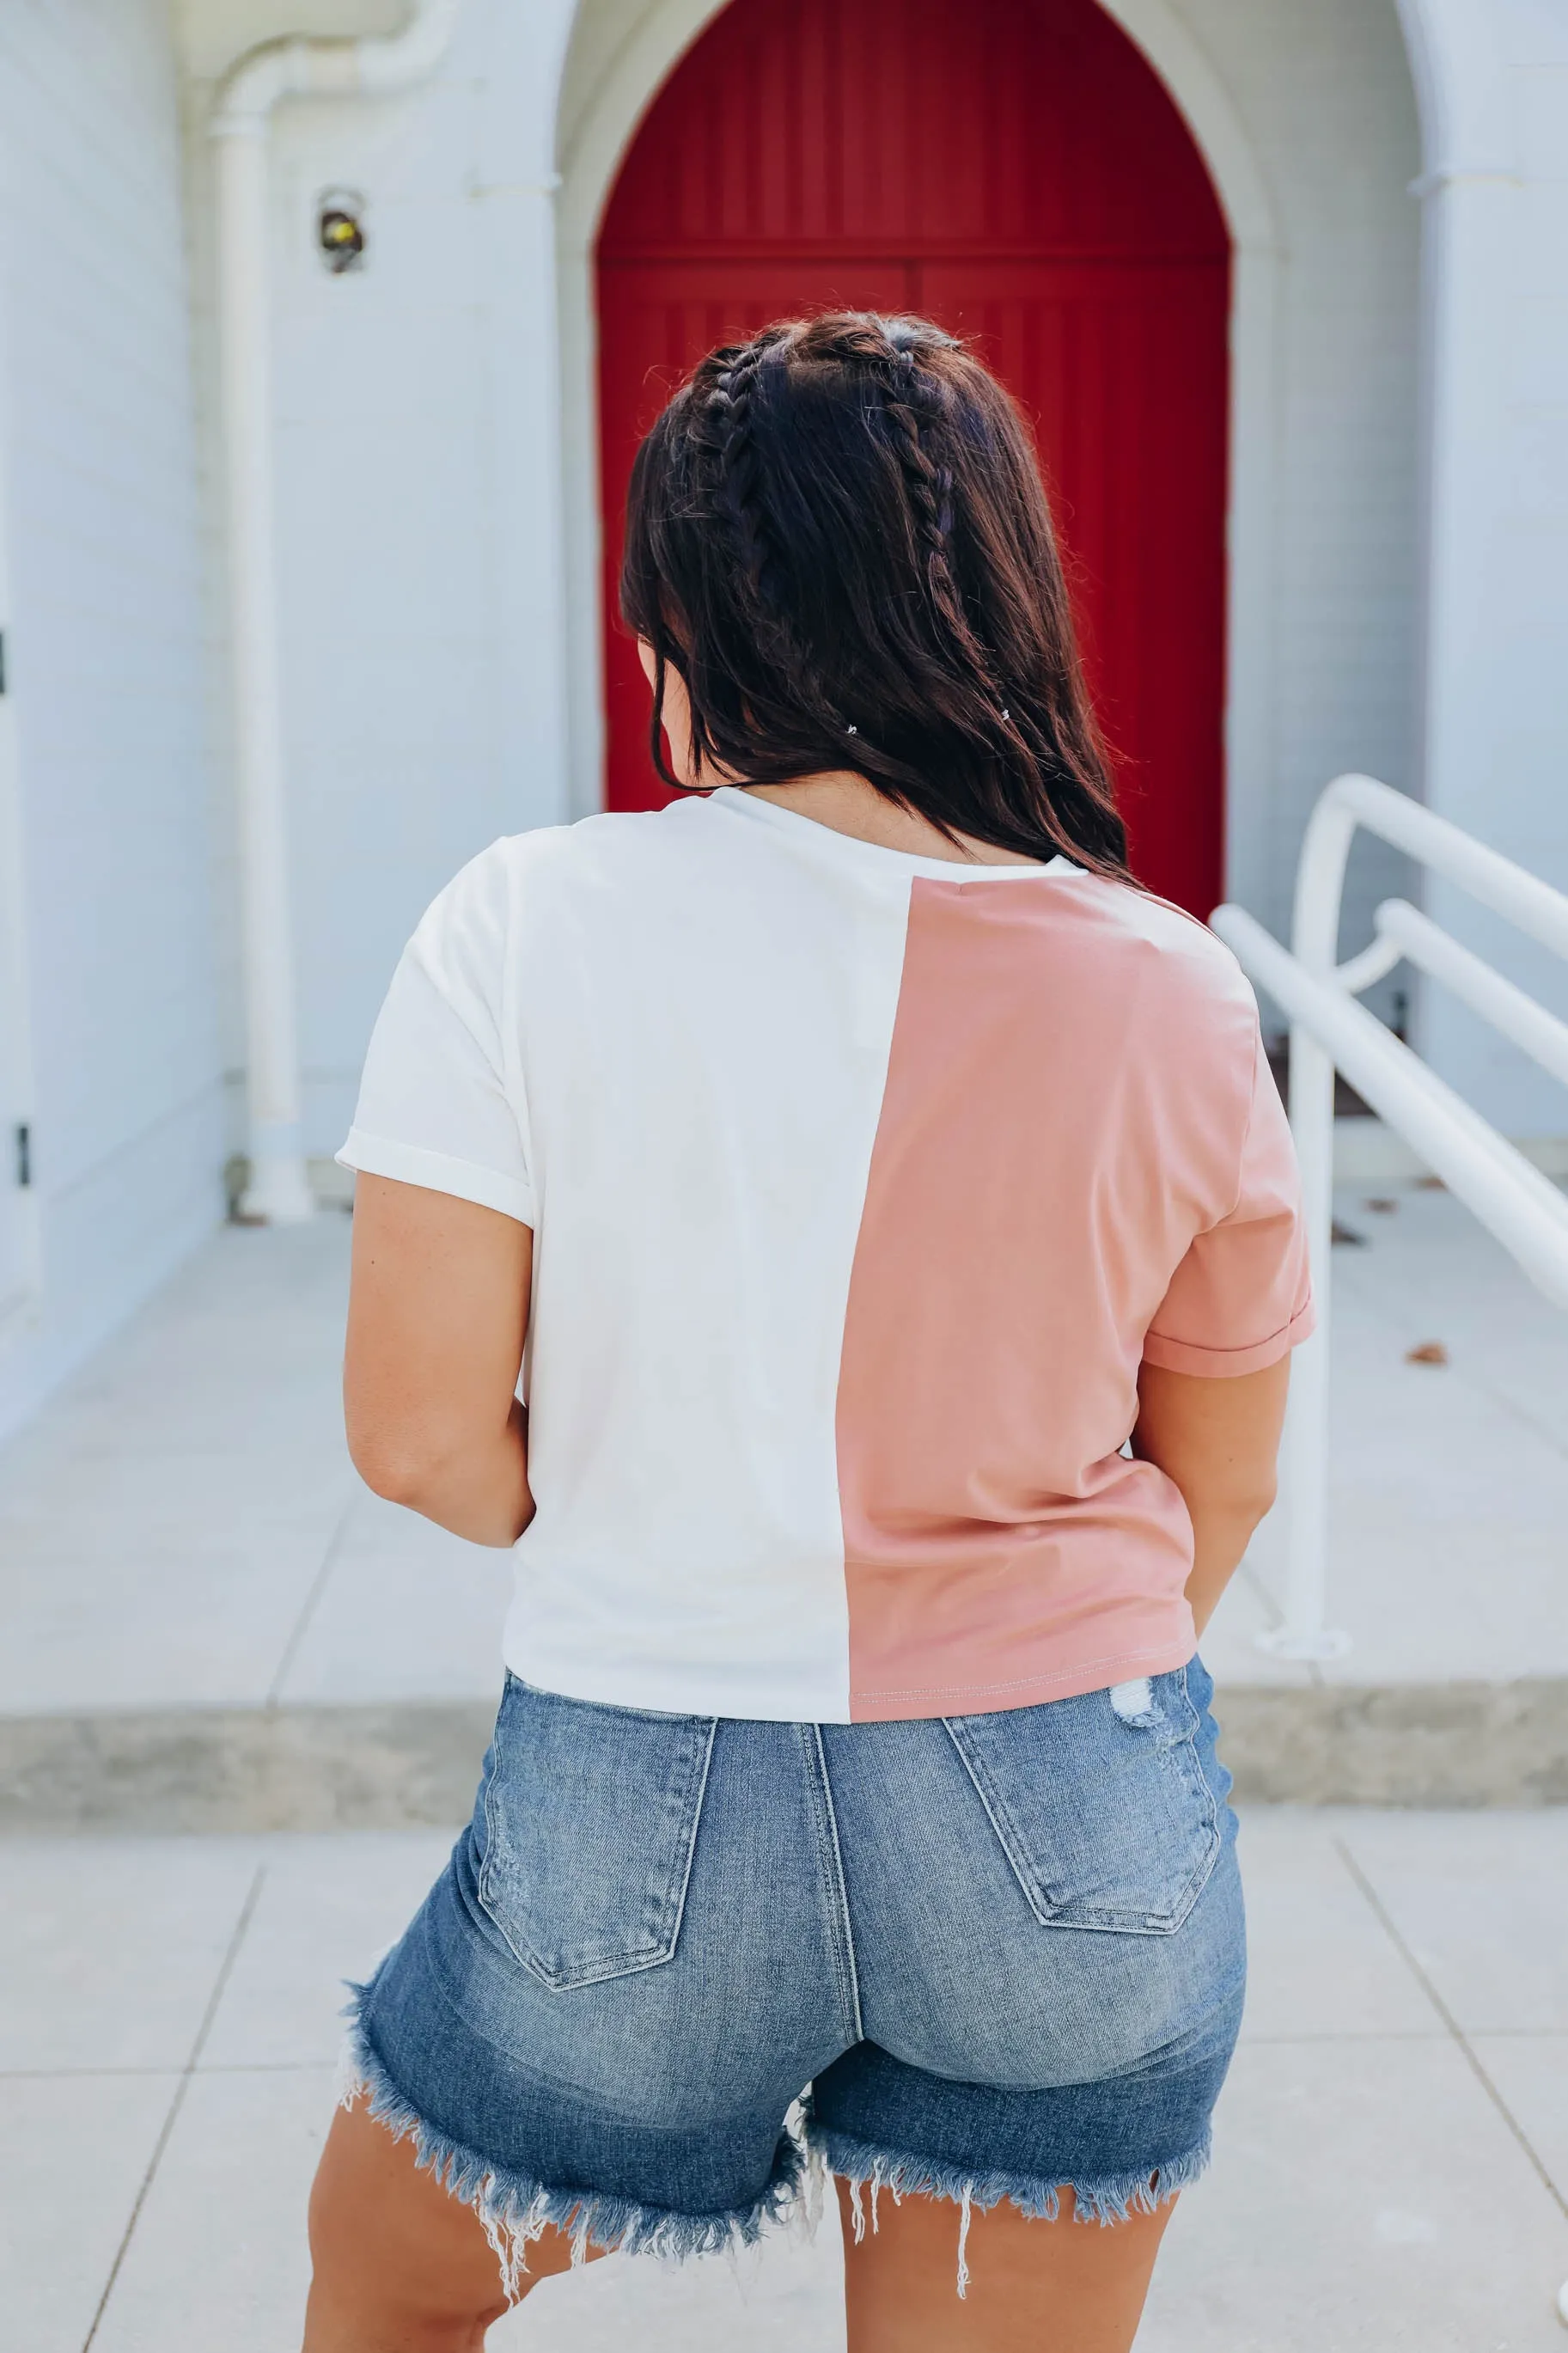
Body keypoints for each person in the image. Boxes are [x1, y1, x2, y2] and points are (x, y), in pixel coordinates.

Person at [303, 312, 1311, 2353]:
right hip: (1068, 1804)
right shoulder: (1174, 980)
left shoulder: (519, 921)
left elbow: (417, 1439)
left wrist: (638, 1504)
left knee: (389, 2295)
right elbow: (1222, 1477)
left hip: (642, 1780)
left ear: (685, 629)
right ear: (1004, 600)